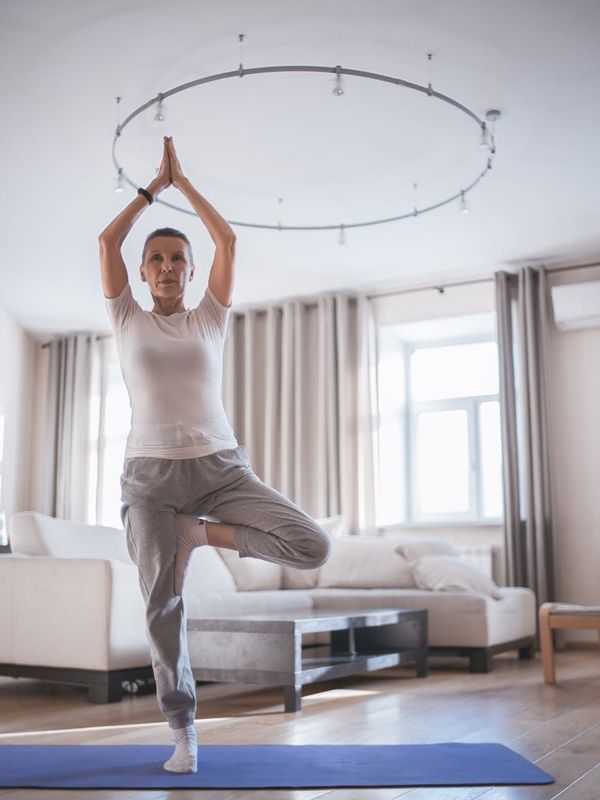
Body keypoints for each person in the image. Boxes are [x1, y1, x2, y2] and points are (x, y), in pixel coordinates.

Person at [98, 136, 333, 773]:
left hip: (221, 470)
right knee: (160, 605)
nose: (168, 267)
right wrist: (152, 189)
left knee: (313, 545)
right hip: (149, 481)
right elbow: (104, 244)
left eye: (178, 258)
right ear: (143, 271)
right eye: (157, 259)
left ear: (192, 270)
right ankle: (183, 727)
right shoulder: (126, 319)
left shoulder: (209, 319)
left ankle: (197, 535)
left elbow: (228, 241)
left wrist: (185, 184)